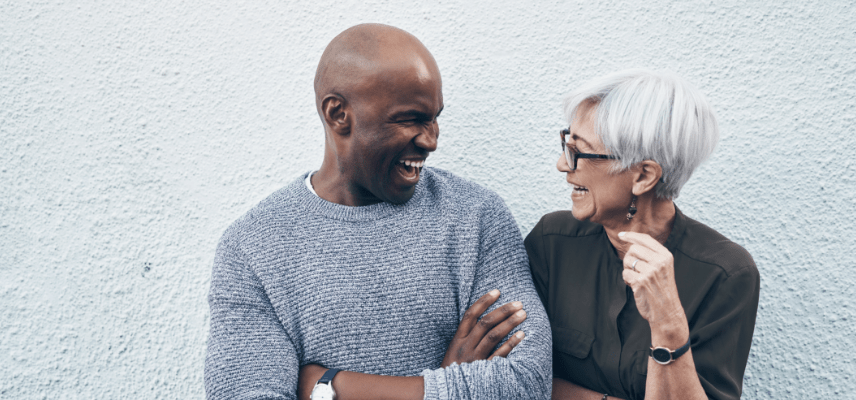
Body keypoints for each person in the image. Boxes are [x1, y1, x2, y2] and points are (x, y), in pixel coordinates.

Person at [204, 23, 552, 400]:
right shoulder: (253, 247)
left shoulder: (476, 217)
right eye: (410, 119)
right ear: (339, 114)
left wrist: (327, 386)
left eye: (434, 118)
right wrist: (447, 386)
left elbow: (526, 383)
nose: (431, 140)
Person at [525, 69, 760, 400]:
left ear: (644, 176)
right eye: (567, 143)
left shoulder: (724, 273)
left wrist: (668, 322)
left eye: (578, 151)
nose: (562, 166)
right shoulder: (552, 242)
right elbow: (516, 377)